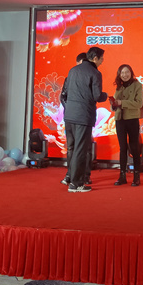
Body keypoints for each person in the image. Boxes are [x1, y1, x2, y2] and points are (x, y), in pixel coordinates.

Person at [59, 47, 108, 193]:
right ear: (95, 58)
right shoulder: (95, 73)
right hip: (83, 116)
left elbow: (65, 93)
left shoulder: (73, 70)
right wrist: (106, 96)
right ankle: (76, 184)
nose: (102, 61)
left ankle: (71, 178)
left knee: (73, 149)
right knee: (80, 150)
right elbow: (97, 96)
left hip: (69, 115)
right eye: (101, 58)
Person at [60, 52, 94, 187]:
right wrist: (71, 109)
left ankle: (85, 175)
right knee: (71, 147)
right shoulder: (70, 77)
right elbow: (63, 97)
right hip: (70, 117)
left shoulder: (90, 75)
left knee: (86, 148)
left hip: (84, 117)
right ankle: (70, 174)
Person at [112, 64, 143, 187]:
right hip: (119, 119)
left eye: (127, 72)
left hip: (132, 119)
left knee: (134, 147)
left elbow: (139, 103)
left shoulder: (137, 85)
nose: (124, 75)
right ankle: (122, 175)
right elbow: (116, 103)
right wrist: (113, 104)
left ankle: (136, 176)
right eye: (122, 73)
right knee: (122, 147)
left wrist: (121, 102)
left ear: (131, 73)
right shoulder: (119, 86)